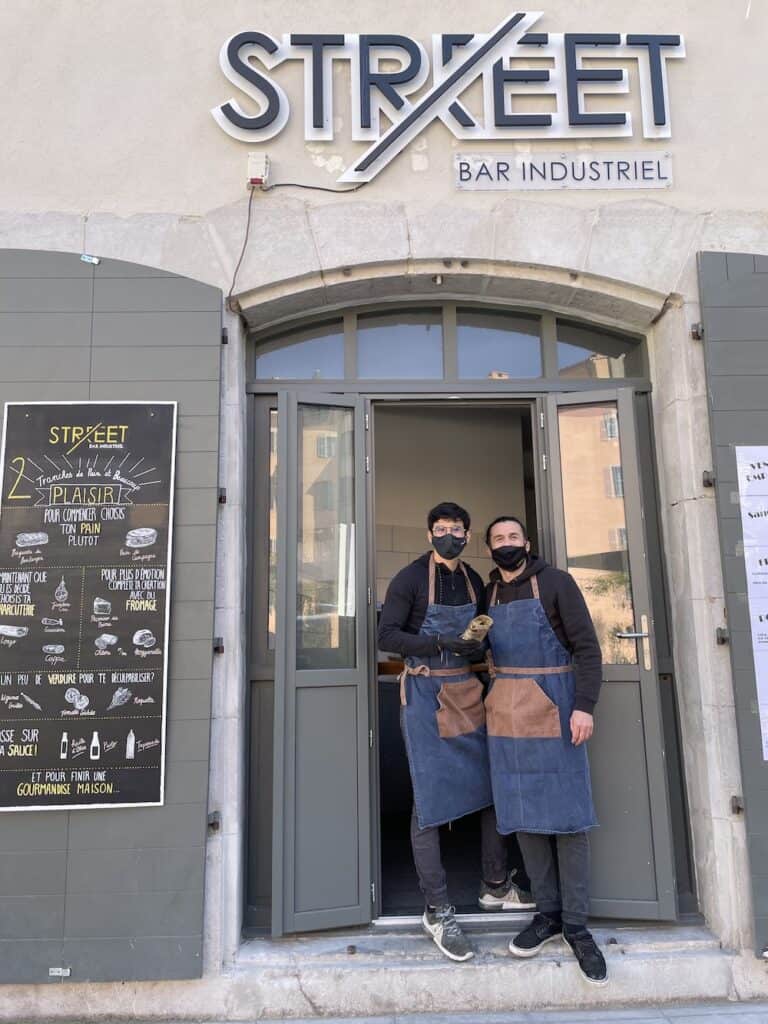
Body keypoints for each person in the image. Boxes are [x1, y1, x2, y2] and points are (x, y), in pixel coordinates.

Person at [378, 501, 534, 963]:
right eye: (441, 529)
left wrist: (476, 641)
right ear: (429, 535)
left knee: (489, 790)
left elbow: (484, 636)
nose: (450, 535)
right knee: (428, 802)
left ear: (468, 536)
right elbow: (386, 636)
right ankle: (437, 907)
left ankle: (494, 885)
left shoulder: (473, 581)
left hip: (467, 691)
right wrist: (440, 642)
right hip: (425, 693)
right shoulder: (409, 579)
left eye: (458, 529)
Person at [483, 515, 608, 986]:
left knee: (570, 819)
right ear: (490, 548)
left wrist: (584, 706)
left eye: (513, 537)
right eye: (498, 539)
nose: (506, 544)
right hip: (506, 714)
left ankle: (577, 926)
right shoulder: (489, 594)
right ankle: (548, 914)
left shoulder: (556, 583)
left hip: (557, 710)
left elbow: (587, 650)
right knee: (522, 816)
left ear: (527, 544)